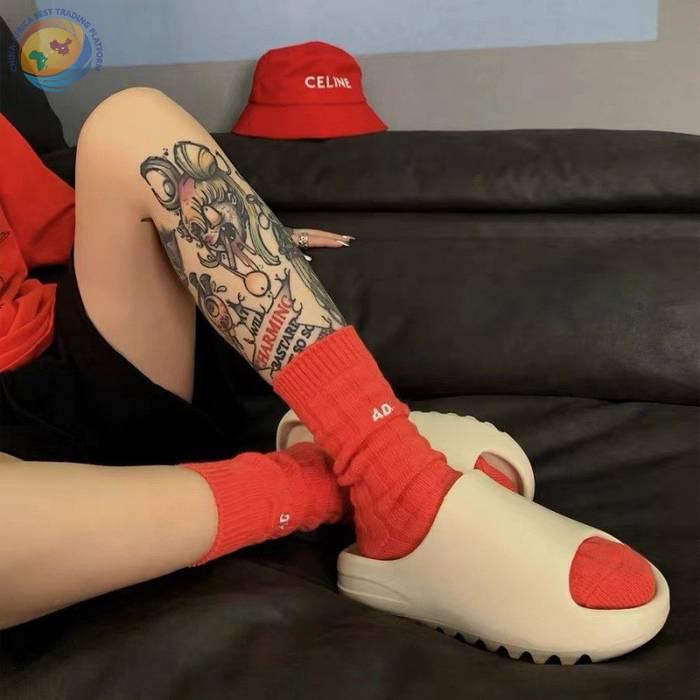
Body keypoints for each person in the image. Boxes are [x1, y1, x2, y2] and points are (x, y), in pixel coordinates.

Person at [0, 89, 664, 662]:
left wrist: (247, 236)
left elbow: (73, 228)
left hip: (65, 372)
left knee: (131, 122)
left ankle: (385, 468)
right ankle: (358, 483)